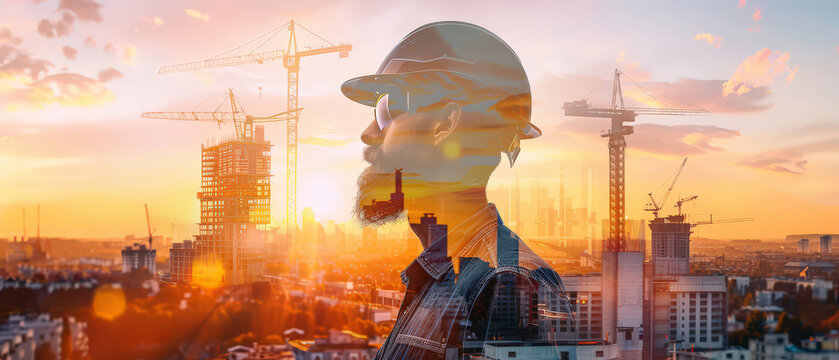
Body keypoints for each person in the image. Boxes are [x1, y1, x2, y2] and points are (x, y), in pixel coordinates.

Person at [342, 21, 574, 359]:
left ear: (444, 124)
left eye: (386, 109)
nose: (368, 133)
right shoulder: (445, 277)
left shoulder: (505, 284)